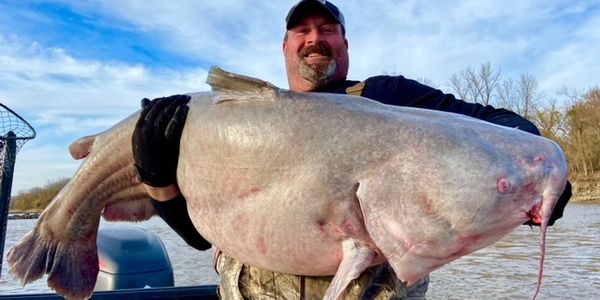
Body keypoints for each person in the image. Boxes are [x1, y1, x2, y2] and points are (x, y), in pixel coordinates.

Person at [132, 0, 572, 299]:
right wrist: (157, 179)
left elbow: (495, 123)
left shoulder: (390, 97)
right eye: (301, 30)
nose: (314, 37)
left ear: (345, 44)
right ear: (285, 47)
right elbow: (196, 237)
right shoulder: (233, 126)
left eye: (327, 29)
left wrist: (535, 169)